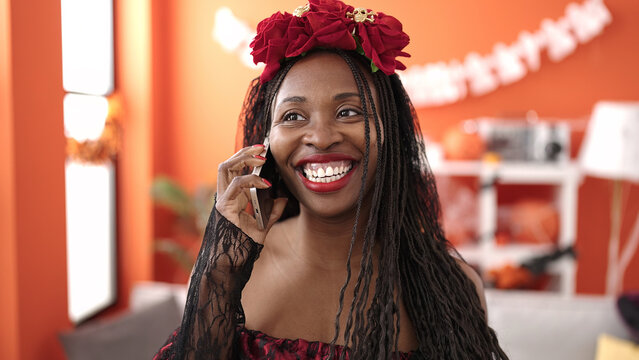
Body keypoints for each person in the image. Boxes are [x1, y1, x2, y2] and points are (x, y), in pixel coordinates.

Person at [155, 0, 508, 359]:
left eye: (348, 111)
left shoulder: (451, 286)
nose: (321, 137)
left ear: (391, 133)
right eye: (293, 116)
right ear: (265, 143)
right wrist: (219, 270)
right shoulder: (224, 276)